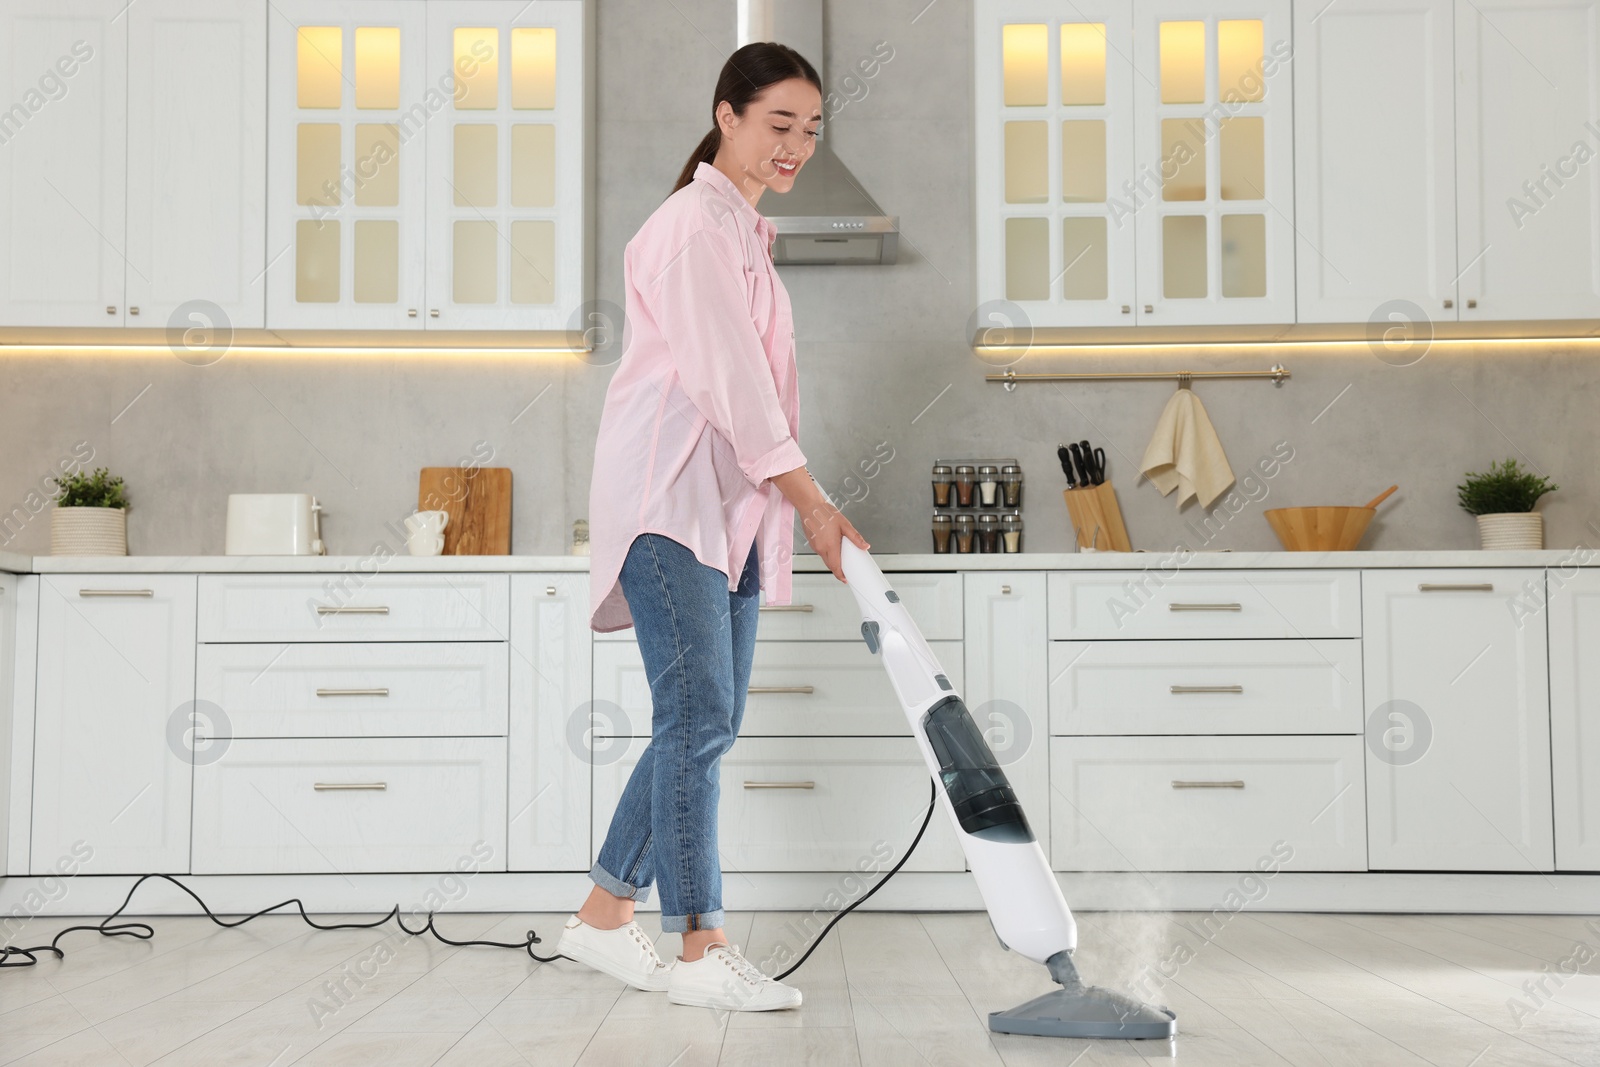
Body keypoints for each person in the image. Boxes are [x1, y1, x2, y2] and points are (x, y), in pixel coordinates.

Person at [556, 43, 871, 1012]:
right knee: (697, 718)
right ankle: (700, 945)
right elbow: (731, 384)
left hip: (724, 508)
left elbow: (748, 390)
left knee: (706, 720)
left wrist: (788, 498)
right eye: (779, 123)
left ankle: (604, 915)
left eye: (811, 130)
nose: (796, 145)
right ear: (726, 114)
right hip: (669, 500)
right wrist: (813, 500)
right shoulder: (694, 225)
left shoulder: (740, 232)